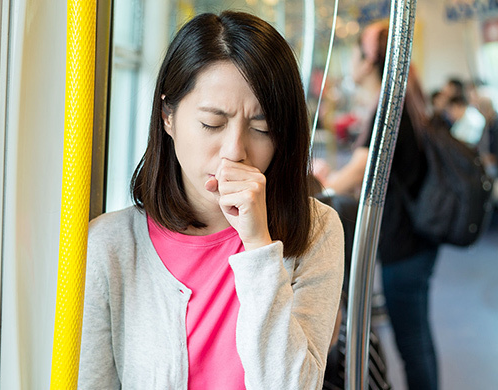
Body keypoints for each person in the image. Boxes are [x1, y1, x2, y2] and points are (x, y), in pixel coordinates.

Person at [79, 12, 345, 389]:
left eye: (261, 128)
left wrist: (258, 247)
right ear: (167, 116)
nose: (235, 151)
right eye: (212, 124)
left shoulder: (316, 231)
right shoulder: (109, 245)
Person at [315, 20, 439, 390]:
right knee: (417, 337)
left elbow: (358, 171)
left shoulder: (388, 107)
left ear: (369, 60)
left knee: (412, 343)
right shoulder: (401, 101)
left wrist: (318, 184)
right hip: (414, 240)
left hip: (405, 243)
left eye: (355, 53)